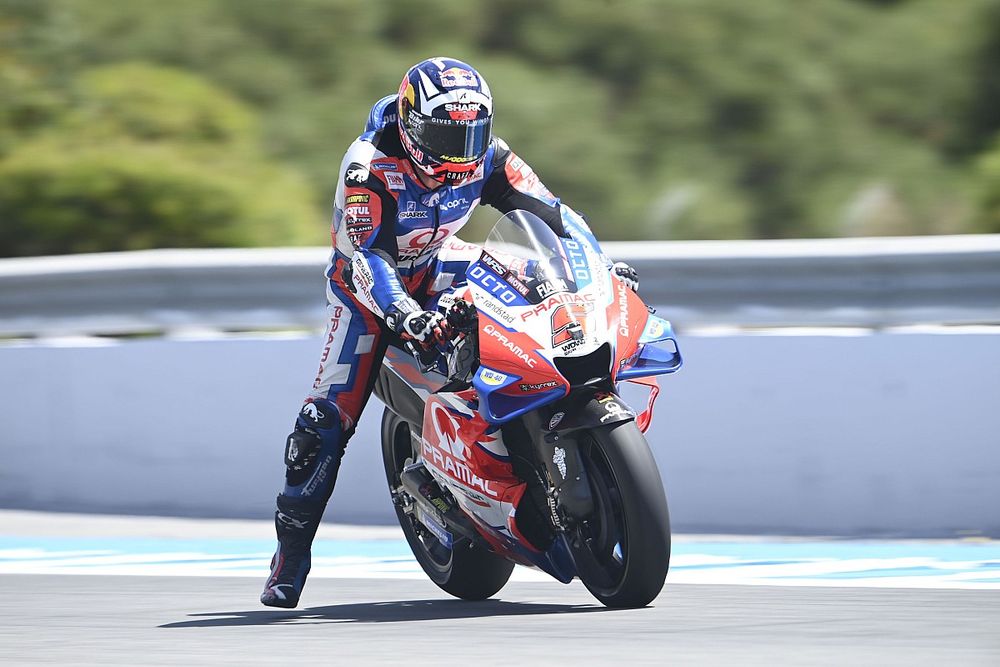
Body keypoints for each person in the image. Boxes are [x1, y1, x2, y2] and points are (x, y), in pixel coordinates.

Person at [260, 56, 639, 608]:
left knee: (536, 285)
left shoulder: (489, 154)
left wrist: (594, 267)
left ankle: (514, 442)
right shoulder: (368, 168)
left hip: (441, 262)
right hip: (368, 290)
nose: (461, 150)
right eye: (446, 133)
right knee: (322, 424)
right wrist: (406, 317)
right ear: (413, 125)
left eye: (472, 132)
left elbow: (553, 214)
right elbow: (368, 258)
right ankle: (289, 559)